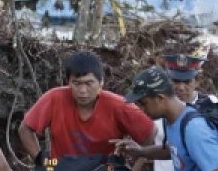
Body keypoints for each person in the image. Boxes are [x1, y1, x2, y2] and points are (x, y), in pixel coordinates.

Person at [19, 51, 154, 161]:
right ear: (68, 82)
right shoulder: (54, 98)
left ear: (101, 82)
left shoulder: (119, 105)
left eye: (89, 83)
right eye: (76, 83)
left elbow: (150, 132)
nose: (82, 90)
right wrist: (41, 160)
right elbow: (25, 129)